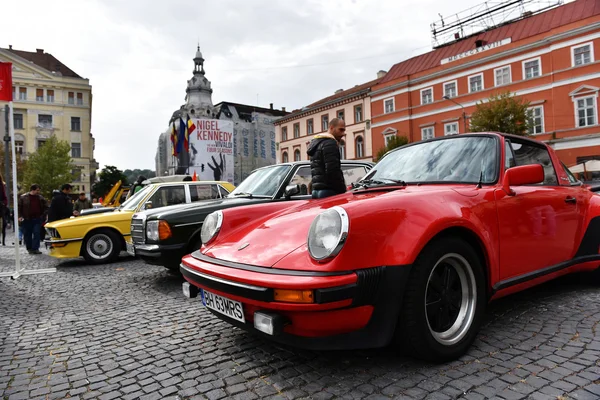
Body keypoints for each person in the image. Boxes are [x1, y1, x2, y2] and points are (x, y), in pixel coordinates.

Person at [306, 117, 347, 199]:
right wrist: (342, 190)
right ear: (332, 128)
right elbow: (333, 171)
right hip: (329, 191)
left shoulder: (316, 143)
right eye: (341, 130)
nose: (343, 133)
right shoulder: (330, 143)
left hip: (316, 191)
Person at [17, 184, 48, 254]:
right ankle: (29, 248)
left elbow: (46, 206)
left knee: (36, 233)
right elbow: (19, 208)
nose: (38, 192)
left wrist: (43, 215)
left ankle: (35, 248)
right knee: (28, 234)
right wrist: (20, 216)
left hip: (37, 218)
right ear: (33, 190)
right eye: (37, 190)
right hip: (27, 219)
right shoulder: (23, 197)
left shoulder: (40, 198)